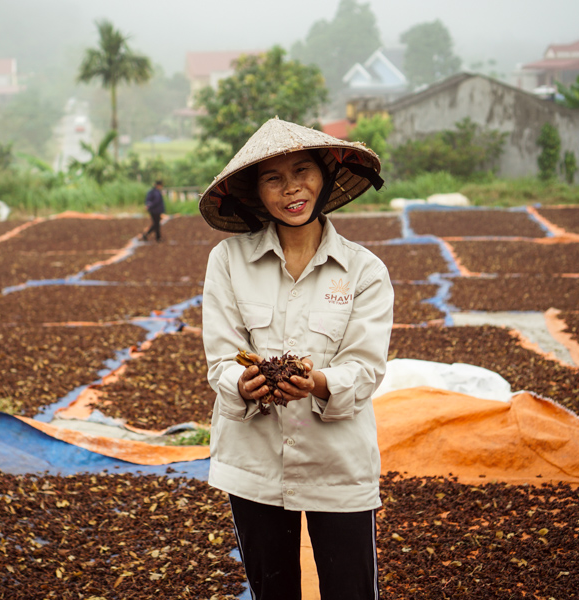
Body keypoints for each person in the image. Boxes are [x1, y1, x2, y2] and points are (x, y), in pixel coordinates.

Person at [199, 117, 393, 600]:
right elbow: (223, 359)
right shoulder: (228, 261)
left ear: (325, 176)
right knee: (273, 592)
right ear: (255, 192)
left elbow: (365, 367)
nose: (292, 189)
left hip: (338, 466)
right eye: (273, 178)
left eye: (302, 171)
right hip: (254, 466)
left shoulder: (364, 270)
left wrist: (318, 382)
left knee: (351, 592)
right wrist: (244, 385)